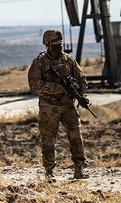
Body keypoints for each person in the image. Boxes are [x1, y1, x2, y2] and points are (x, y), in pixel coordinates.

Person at [28, 29, 89, 180]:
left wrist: (81, 94)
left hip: (68, 105)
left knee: (76, 136)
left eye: (59, 41)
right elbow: (34, 84)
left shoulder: (68, 60)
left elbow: (81, 78)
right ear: (47, 43)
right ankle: (49, 171)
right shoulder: (40, 62)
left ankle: (79, 169)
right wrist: (58, 88)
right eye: (55, 42)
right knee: (48, 139)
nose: (58, 45)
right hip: (49, 107)